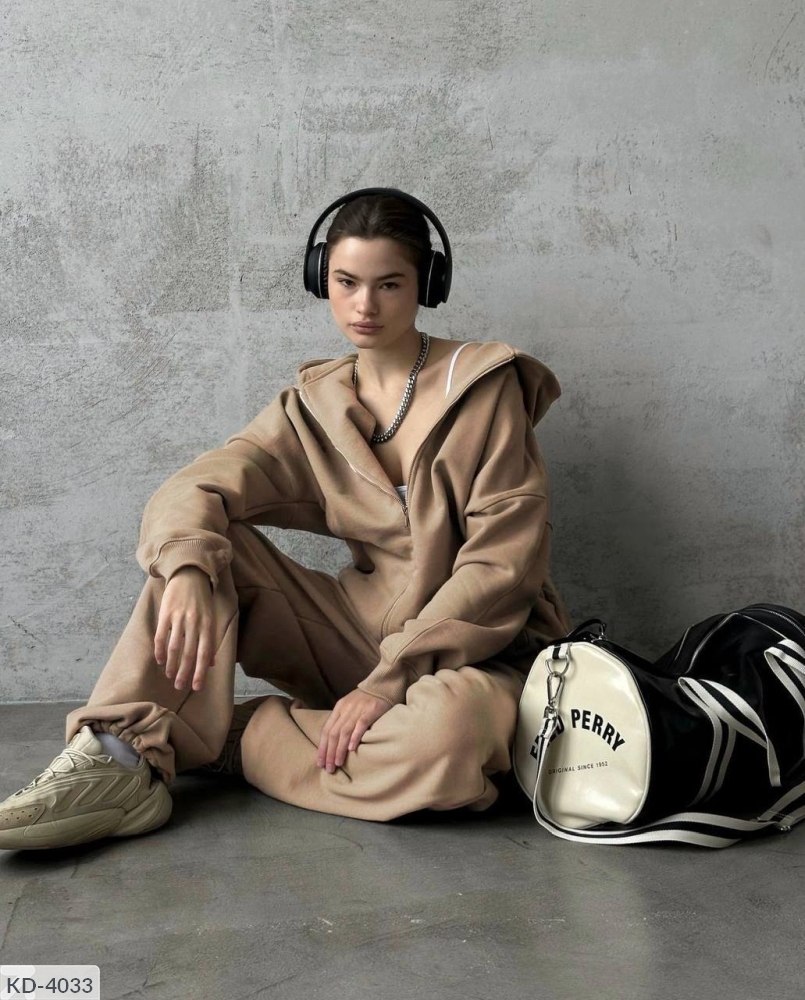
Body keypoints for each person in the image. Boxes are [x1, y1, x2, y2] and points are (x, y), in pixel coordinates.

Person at [0, 189, 574, 851]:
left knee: (445, 740)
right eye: (346, 282)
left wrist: (390, 682)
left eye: (389, 284)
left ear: (427, 284)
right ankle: (118, 758)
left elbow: (502, 568)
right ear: (320, 278)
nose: (364, 305)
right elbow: (196, 485)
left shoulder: (482, 388)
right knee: (203, 543)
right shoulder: (314, 406)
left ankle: (238, 738)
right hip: (352, 637)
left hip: (477, 656)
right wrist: (186, 568)